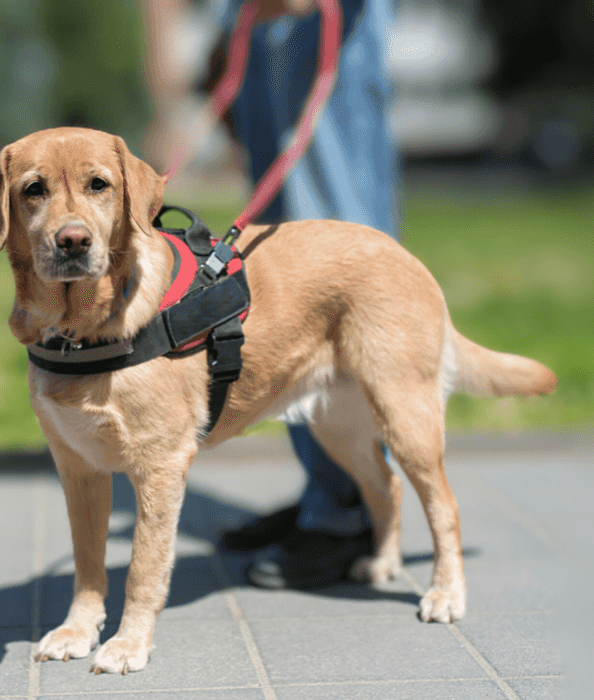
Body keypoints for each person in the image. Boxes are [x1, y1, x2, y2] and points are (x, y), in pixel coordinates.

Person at [142, 0, 401, 589]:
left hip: (320, 19)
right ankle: (328, 489)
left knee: (329, 244)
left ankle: (350, 509)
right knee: (282, 255)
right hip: (259, 27)